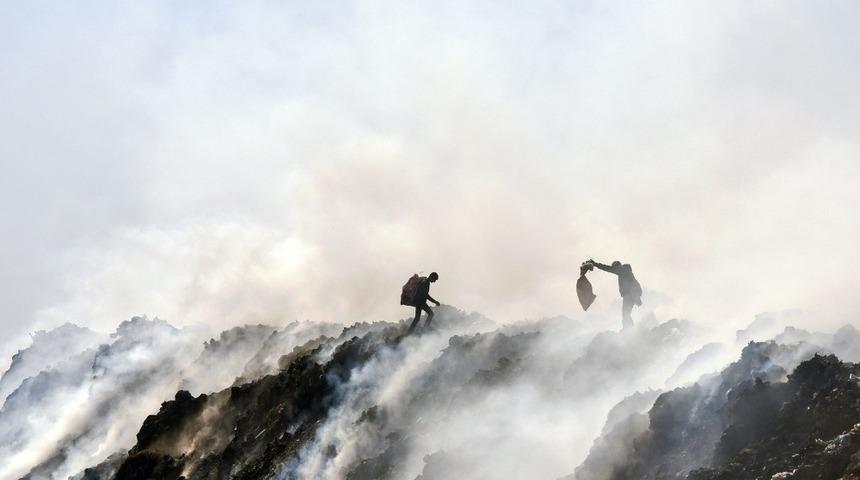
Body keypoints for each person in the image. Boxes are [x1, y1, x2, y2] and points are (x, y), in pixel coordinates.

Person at [586, 259, 642, 329]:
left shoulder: (622, 270)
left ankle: (628, 330)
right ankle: (630, 329)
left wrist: (595, 264)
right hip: (631, 295)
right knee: (626, 314)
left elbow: (608, 268)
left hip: (629, 295)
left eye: (614, 268)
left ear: (617, 266)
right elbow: (634, 285)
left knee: (625, 314)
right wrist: (636, 297)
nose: (614, 270)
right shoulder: (624, 271)